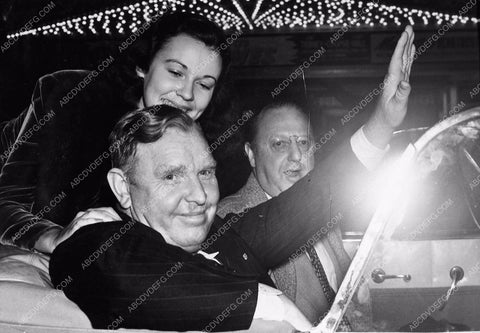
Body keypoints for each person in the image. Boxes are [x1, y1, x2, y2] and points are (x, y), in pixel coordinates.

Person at [50, 23, 416, 330]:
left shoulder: (227, 238)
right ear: (121, 188)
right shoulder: (99, 242)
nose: (199, 194)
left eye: (205, 171)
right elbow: (109, 265)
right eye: (172, 176)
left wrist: (383, 121)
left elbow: (316, 198)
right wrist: (275, 307)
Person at [0, 12, 230, 254]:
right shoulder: (72, 101)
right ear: (143, 66)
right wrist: (55, 236)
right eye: (175, 72)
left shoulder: (205, 148)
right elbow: (4, 205)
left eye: (204, 84)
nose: (187, 93)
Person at [217, 101, 354, 323]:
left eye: (304, 142)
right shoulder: (227, 221)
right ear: (251, 154)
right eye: (279, 144)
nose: (297, 156)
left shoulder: (324, 207)